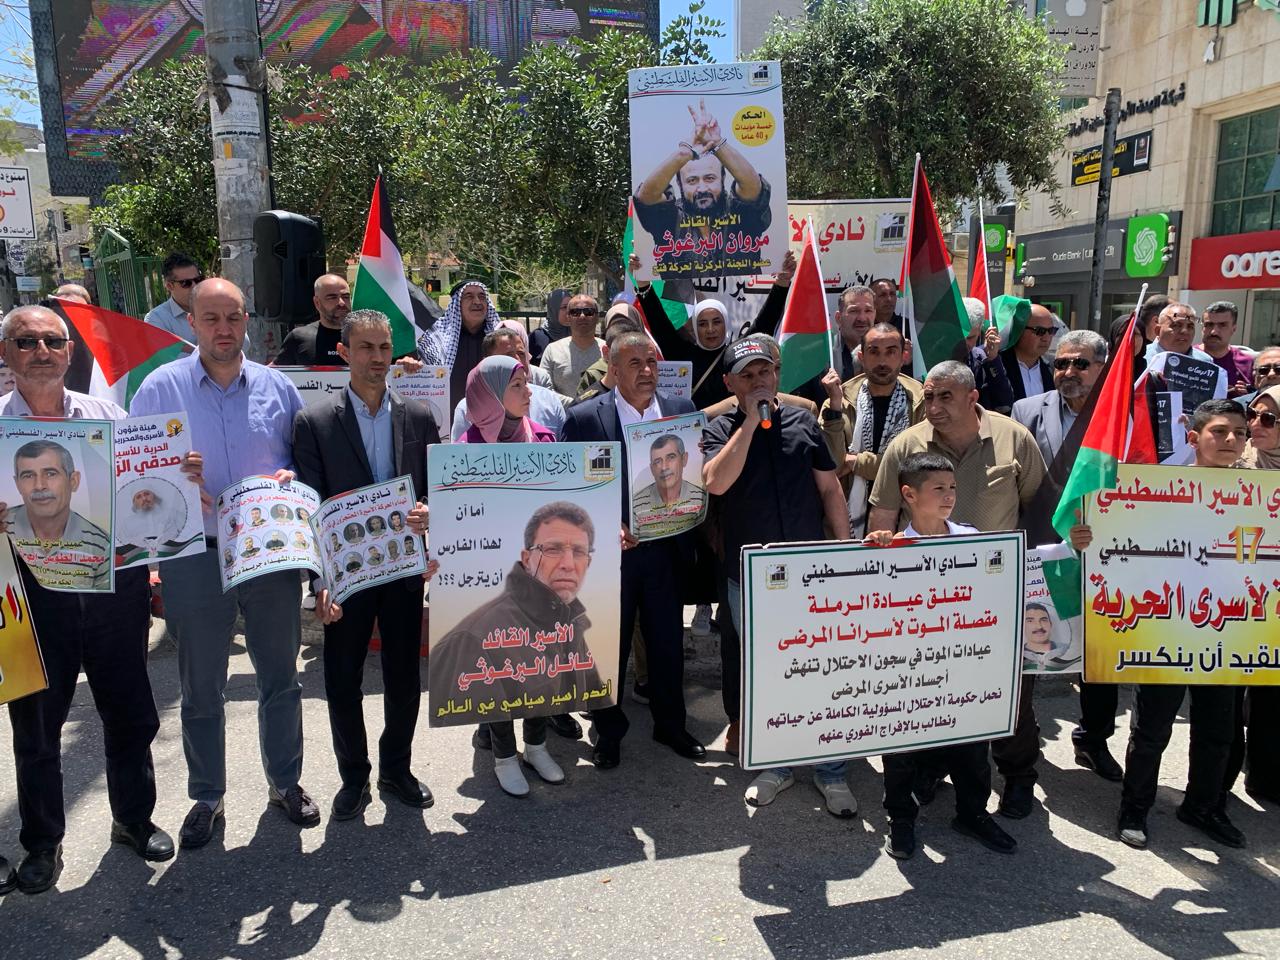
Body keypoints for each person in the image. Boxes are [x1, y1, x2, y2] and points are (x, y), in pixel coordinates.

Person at [0, 304, 204, 894]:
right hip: (34, 599)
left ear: (70, 352)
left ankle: (133, 820)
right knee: (38, 728)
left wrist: (179, 471)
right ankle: (43, 843)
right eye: (27, 341)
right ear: (7, 354)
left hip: (115, 592)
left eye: (52, 340)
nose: (41, 351)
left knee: (130, 712)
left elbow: (146, 488)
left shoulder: (110, 417)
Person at [130, 278, 319, 847]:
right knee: (201, 684)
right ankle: (207, 796)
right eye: (210, 318)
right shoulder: (160, 388)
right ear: (191, 322)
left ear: (246, 321)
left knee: (281, 677)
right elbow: (133, 474)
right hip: (195, 553)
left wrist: (289, 477)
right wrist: (171, 478)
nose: (223, 329)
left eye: (233, 317)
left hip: (268, 555)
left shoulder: (277, 387)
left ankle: (284, 782)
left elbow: (303, 460)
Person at [868, 361, 1046, 814]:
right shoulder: (907, 445)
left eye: (945, 397)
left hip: (997, 594)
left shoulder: (1014, 439)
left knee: (1011, 694)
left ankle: (1018, 775)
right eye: (929, 396)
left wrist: (1034, 585)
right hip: (926, 599)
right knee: (935, 689)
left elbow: (1037, 511)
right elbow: (884, 513)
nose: (934, 406)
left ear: (972, 398)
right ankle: (932, 769)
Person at [1073, 399, 1249, 851]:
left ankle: (1204, 806)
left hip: (1228, 632)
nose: (1231, 440)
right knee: (1152, 730)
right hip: (1165, 628)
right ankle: (1134, 809)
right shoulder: (1156, 489)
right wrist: (1087, 536)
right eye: (1219, 431)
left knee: (1218, 731)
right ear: (1193, 437)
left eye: (1239, 432)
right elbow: (1118, 542)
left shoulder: (1261, 497)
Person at [292, 308, 439, 820]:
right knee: (342, 679)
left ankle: (397, 769)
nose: (378, 358)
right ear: (344, 352)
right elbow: (309, 508)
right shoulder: (314, 422)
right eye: (366, 348)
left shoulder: (420, 416)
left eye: (384, 348)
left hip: (402, 571)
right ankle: (353, 777)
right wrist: (318, 582)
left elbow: (436, 489)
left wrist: (429, 512)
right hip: (345, 578)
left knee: (404, 677)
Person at [702, 339, 853, 815]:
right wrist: (750, 422)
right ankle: (777, 765)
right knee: (765, 674)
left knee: (825, 670)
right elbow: (715, 482)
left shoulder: (804, 423)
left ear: (777, 375)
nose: (758, 382)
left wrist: (846, 551)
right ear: (730, 383)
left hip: (811, 575)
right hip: (751, 578)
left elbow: (829, 490)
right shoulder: (718, 429)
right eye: (747, 375)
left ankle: (831, 771)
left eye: (764, 373)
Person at [561, 332, 706, 768]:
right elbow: (570, 490)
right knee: (609, 646)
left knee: (666, 643)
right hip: (612, 555)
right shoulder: (585, 417)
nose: (646, 371)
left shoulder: (681, 411)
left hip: (666, 551)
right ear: (614, 369)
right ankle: (608, 731)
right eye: (635, 363)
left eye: (651, 362)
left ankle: (671, 725)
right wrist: (607, 524)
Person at [864, 452, 1017, 858]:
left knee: (972, 747)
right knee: (900, 750)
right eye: (938, 489)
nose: (949, 496)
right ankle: (901, 819)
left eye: (952, 488)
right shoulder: (890, 549)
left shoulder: (972, 539)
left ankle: (972, 813)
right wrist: (875, 552)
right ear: (909, 494)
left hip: (963, 666)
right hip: (905, 672)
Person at [448, 355, 569, 796]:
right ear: (490, 395)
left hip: (539, 580)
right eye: (517, 385)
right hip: (489, 584)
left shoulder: (546, 440)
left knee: (541, 661)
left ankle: (535, 746)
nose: (528, 391)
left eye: (526, 383)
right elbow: (455, 520)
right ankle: (503, 755)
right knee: (495, 666)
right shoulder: (464, 453)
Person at [1010, 329, 1123, 782]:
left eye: (1080, 363)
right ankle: (1024, 740)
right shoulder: (1025, 411)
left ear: (1102, 368)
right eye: (1060, 363)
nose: (1068, 371)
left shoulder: (1122, 412)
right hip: (1044, 550)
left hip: (1105, 554)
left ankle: (1093, 739)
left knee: (1099, 655)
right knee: (1034, 647)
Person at [633, 250, 796, 411]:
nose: (710, 329)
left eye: (716, 322)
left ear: (726, 324)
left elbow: (767, 319)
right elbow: (658, 321)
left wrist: (783, 281)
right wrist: (643, 284)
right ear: (695, 328)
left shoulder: (738, 354)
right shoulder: (681, 354)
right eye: (703, 324)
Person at [632, 98, 771, 277]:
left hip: (743, 294)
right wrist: (684, 153)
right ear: (680, 184)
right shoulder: (671, 218)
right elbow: (647, 197)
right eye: (692, 181)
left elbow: (753, 187)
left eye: (709, 178)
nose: (702, 188)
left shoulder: (738, 212)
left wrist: (718, 143)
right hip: (681, 296)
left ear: (722, 178)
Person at [1224, 385, 1280, 804]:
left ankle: (1265, 778)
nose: (1255, 425)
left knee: (1271, 698)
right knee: (1228, 695)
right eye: (1253, 415)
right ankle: (1218, 782)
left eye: (1268, 419)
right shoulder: (1233, 464)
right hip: (1234, 597)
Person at [818, 322, 923, 537]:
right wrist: (835, 407)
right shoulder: (839, 401)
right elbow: (833, 468)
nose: (882, 361)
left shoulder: (920, 402)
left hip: (905, 525)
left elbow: (915, 471)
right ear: (861, 356)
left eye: (891, 352)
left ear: (903, 356)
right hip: (845, 528)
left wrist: (857, 462)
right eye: (874, 352)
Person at [6, 438, 112, 590]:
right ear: (17, 484)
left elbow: (104, 602)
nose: (39, 486)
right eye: (28, 476)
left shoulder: (101, 545)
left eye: (50, 474)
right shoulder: (3, 529)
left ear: (73, 481)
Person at [451, 328, 566, 440]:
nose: (518, 360)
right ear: (488, 363)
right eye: (508, 356)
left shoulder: (550, 402)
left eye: (521, 353)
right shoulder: (467, 409)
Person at [418, 280, 501, 409]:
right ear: (457, 304)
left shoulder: (499, 338)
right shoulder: (436, 339)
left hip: (492, 415)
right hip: (448, 415)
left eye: (482, 296)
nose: (477, 302)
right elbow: (421, 374)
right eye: (469, 296)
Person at [1144, 302, 1228, 395]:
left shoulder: (1205, 362)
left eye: (1190, 326)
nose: (1184, 331)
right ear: (1158, 330)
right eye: (1176, 325)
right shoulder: (1141, 357)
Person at [271, 274, 352, 366]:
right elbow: (272, 372)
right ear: (317, 302)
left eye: (346, 297)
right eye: (332, 297)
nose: (341, 303)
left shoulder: (362, 335)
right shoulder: (298, 337)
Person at [539, 294, 604, 397]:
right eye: (575, 312)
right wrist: (574, 404)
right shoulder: (552, 350)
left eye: (588, 312)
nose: (582, 316)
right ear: (568, 317)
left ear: (597, 317)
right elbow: (543, 388)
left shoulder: (609, 350)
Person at [632, 433, 703, 522]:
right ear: (652, 469)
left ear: (684, 459)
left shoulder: (701, 498)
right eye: (657, 461)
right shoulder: (635, 505)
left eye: (671, 457)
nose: (664, 467)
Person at [962, 296, 1014, 414]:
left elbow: (1004, 404)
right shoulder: (933, 356)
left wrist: (993, 359)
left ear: (980, 330)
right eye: (960, 336)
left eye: (970, 338)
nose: (965, 343)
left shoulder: (982, 358)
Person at [1000, 302, 1056, 403]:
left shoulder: (1055, 366)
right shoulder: (998, 365)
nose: (1046, 338)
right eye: (1040, 331)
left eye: (1051, 331)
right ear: (1019, 330)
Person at [1197, 301, 1253, 398]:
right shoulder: (1187, 357)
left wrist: (1246, 395)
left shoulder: (1247, 363)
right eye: (1209, 325)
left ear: (1234, 329)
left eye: (1222, 325)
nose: (1214, 332)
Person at [143, 252, 203, 340]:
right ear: (169, 286)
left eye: (198, 280)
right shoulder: (157, 318)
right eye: (186, 283)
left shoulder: (214, 307)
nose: (195, 286)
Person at [833, 285, 876, 381]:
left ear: (874, 315)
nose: (862, 318)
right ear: (839, 318)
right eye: (854, 311)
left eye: (868, 310)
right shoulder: (821, 356)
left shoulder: (887, 352)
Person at [529, 289, 571, 367]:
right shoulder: (538, 337)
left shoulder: (576, 333)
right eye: (564, 307)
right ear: (553, 309)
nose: (569, 311)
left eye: (571, 307)